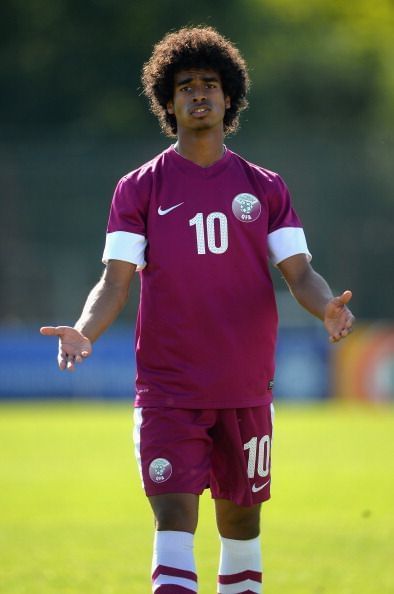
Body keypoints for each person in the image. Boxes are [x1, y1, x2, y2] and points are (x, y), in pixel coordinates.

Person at [41, 26, 355, 594]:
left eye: (210, 83)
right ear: (168, 100)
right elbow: (113, 284)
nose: (199, 94)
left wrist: (326, 308)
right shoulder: (138, 188)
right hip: (169, 389)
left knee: (240, 525)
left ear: (229, 96)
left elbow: (300, 273)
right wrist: (84, 330)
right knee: (174, 519)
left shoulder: (264, 188)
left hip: (244, 386)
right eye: (185, 86)